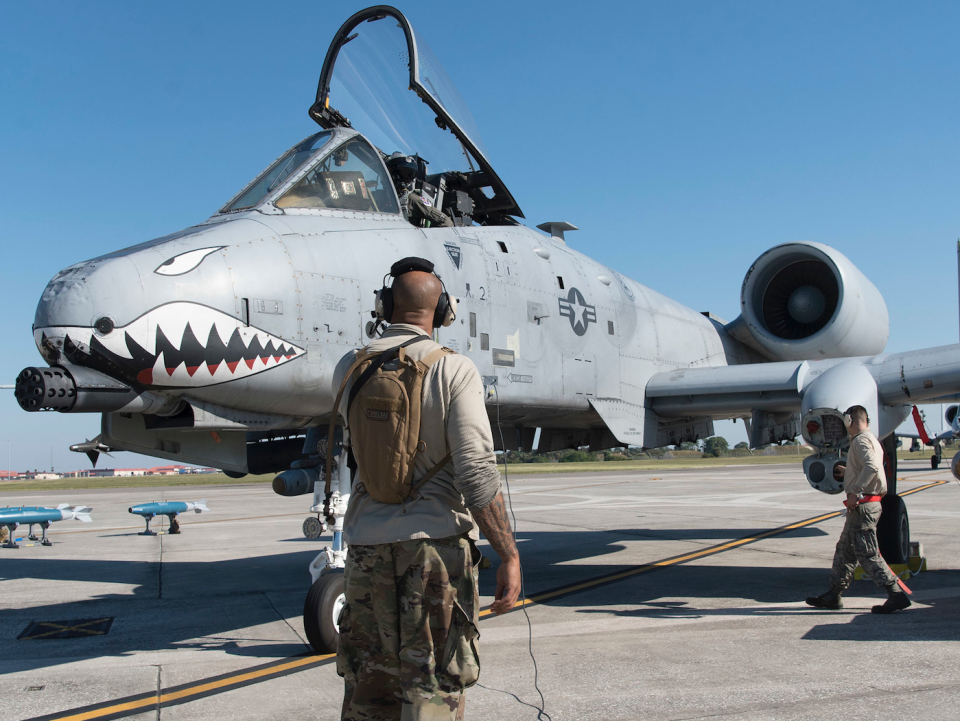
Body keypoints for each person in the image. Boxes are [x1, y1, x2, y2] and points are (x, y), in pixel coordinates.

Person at [333, 259, 521, 720]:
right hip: (433, 556)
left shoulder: (348, 368)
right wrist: (508, 554)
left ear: (384, 306)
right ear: (442, 312)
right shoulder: (454, 369)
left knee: (368, 690)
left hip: (364, 554)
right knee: (434, 688)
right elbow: (476, 474)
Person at [805, 405, 911, 615]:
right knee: (845, 551)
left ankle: (895, 593)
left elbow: (871, 466)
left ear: (850, 420)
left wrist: (854, 491)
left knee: (868, 554)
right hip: (862, 507)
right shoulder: (870, 439)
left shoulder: (861, 440)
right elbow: (869, 466)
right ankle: (834, 595)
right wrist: (849, 471)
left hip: (863, 506)